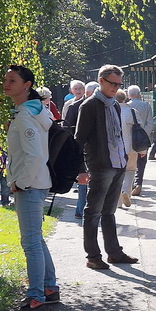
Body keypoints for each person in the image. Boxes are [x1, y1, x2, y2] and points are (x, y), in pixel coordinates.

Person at [2, 65, 58, 311]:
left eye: (12, 80)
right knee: (36, 239)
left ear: (27, 85)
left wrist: (20, 183)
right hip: (37, 182)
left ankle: (36, 298)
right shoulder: (35, 111)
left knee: (31, 243)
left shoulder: (25, 115)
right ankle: (49, 287)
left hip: (30, 184)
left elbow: (33, 154)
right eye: (5, 79)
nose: (6, 83)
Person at [73, 64, 138, 270]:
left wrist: (124, 161)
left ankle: (114, 253)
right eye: (113, 83)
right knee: (93, 212)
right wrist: (81, 168)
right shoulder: (89, 106)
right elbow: (79, 140)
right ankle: (93, 256)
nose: (116, 88)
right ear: (101, 81)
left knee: (109, 212)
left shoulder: (115, 105)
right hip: (100, 166)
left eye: (119, 84)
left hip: (118, 164)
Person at [64, 80, 98, 220]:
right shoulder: (72, 106)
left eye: (80, 88)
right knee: (84, 179)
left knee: (86, 181)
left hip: (88, 148)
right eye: (76, 88)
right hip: (82, 148)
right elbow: (67, 127)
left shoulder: (75, 106)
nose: (78, 91)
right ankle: (82, 209)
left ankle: (82, 209)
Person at [125, 84, 153, 194]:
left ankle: (130, 184)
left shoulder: (126, 106)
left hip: (129, 140)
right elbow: (150, 123)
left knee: (129, 164)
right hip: (142, 140)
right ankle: (139, 183)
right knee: (141, 162)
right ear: (138, 94)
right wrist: (144, 135)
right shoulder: (146, 106)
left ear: (129, 95)